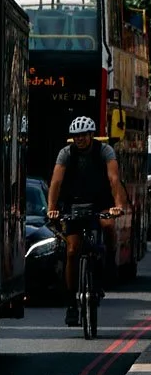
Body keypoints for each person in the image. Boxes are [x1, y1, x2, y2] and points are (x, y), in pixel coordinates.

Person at [46, 115, 127, 325]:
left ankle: (109, 262)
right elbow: (56, 182)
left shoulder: (105, 151)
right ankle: (72, 304)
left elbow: (114, 179)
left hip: (100, 201)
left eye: (83, 135)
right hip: (74, 203)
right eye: (76, 136)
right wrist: (52, 208)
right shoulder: (66, 153)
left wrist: (118, 206)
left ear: (91, 135)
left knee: (108, 226)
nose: (79, 139)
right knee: (72, 250)